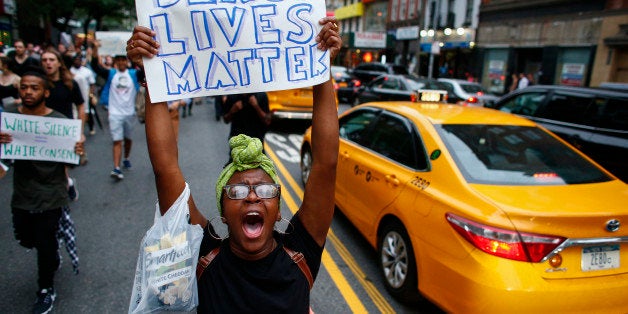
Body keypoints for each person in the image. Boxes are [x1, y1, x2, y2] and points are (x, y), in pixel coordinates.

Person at [126, 16, 341, 312]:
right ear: (223, 214)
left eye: (265, 191)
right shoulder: (203, 254)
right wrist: (152, 72)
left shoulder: (300, 251)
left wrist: (323, 69)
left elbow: (325, 164)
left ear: (279, 211)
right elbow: (165, 167)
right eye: (237, 193)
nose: (252, 196)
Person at [0, 67, 85, 314]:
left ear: (46, 92)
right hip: (23, 194)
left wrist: (78, 151)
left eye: (34, 87)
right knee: (26, 238)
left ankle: (46, 289)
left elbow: (73, 162)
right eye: (24, 87)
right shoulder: (11, 119)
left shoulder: (59, 122)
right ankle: (50, 256)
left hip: (52, 194)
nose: (28, 92)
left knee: (45, 243)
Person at [90, 43, 141, 180]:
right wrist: (95, 50)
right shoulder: (111, 74)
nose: (121, 62)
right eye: (118, 60)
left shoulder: (133, 74)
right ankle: (116, 168)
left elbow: (144, 71)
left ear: (127, 61)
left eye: (123, 60)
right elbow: (96, 67)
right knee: (117, 140)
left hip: (130, 113)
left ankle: (126, 157)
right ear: (115, 62)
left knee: (128, 139)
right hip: (115, 113)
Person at [41, 48, 86, 200]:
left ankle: (66, 185)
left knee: (60, 164)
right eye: (44, 60)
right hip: (42, 130)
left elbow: (80, 105)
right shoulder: (38, 84)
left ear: (59, 63)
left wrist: (79, 130)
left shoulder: (70, 83)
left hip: (64, 130)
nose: (48, 63)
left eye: (51, 59)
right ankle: (65, 184)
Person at [69, 54, 97, 136]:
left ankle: (91, 127)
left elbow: (92, 83)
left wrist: (91, 94)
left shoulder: (87, 71)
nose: (77, 62)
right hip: (73, 95)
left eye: (79, 60)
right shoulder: (69, 71)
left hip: (85, 94)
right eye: (75, 60)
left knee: (87, 111)